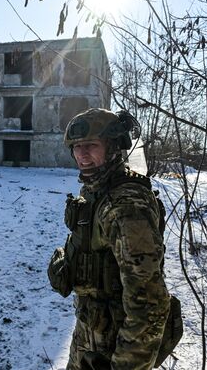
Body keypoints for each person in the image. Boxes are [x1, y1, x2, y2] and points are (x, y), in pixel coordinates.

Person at [48, 108, 171, 369]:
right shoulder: (97, 192)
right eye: (77, 146)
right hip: (88, 337)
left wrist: (125, 364)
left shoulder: (125, 206)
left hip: (114, 350)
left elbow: (150, 303)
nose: (81, 154)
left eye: (91, 145)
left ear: (114, 147)